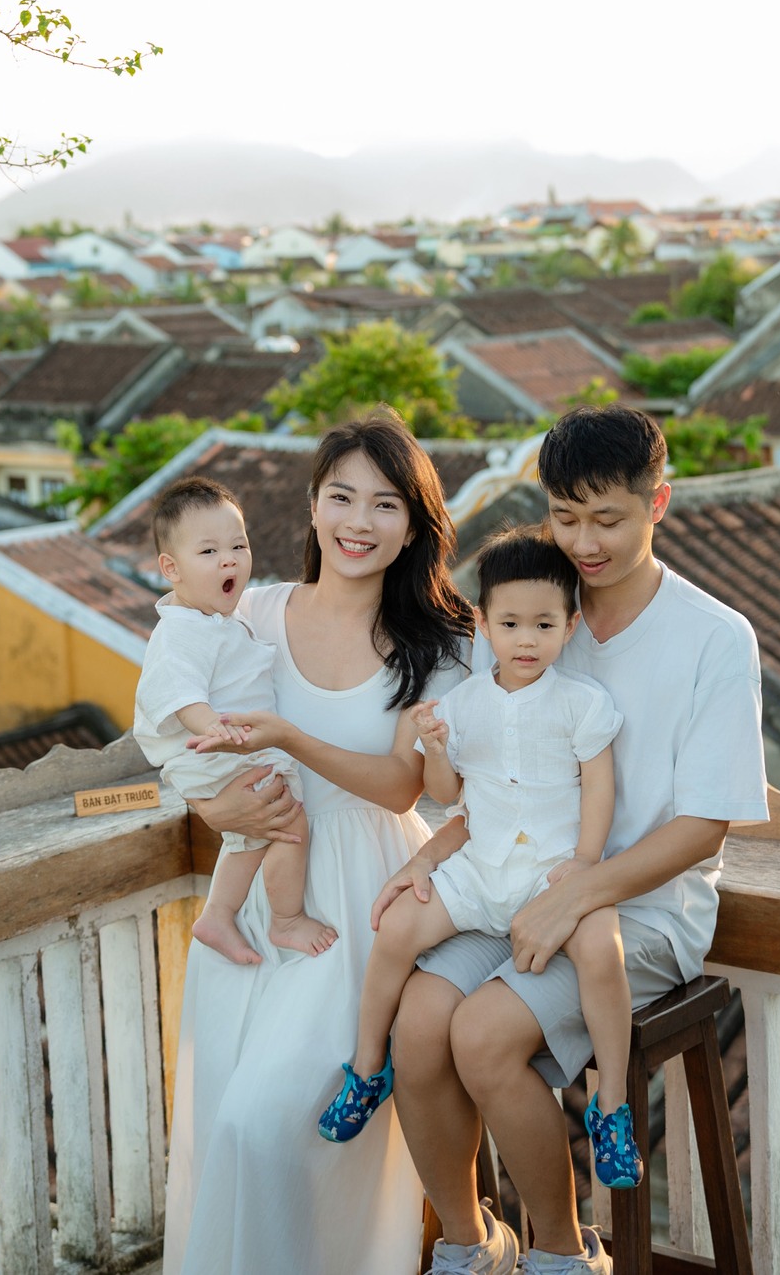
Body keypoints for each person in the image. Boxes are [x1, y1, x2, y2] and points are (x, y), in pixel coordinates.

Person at [385, 406, 771, 1275]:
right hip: (512, 888)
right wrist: (428, 858)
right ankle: (470, 1245)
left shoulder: (713, 638)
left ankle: (564, 1256)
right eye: (565, 517)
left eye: (608, 519)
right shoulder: (528, 615)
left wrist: (577, 895)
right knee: (417, 1023)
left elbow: (703, 825)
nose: (585, 543)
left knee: (482, 1035)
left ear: (657, 503)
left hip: (641, 913)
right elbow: (479, 782)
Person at [162, 412, 474, 1275]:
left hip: (363, 893)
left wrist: (292, 740)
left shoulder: (437, 645)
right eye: (341, 497)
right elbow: (177, 717)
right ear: (311, 505)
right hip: (255, 890)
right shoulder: (250, 611)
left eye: (384, 504)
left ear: (413, 526)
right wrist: (214, 809)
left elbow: (404, 786)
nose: (358, 522)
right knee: (227, 1120)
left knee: (267, 1129)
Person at [317, 528, 643, 1200]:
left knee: (601, 948)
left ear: (569, 626)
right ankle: (369, 1066)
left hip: (554, 874)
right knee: (398, 928)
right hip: (479, 871)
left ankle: (611, 1104)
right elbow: (447, 796)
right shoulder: (462, 704)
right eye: (511, 623)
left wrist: (586, 864)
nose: (527, 639)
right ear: (485, 623)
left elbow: (599, 789)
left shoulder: (582, 703)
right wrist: (436, 748)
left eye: (545, 625)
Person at [130, 475, 334, 964]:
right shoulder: (179, 631)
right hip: (212, 748)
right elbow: (180, 696)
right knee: (289, 822)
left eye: (238, 546)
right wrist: (213, 727)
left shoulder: (221, 617)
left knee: (254, 833)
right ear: (171, 568)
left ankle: (218, 915)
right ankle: (285, 920)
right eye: (209, 551)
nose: (229, 560)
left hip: (227, 748)